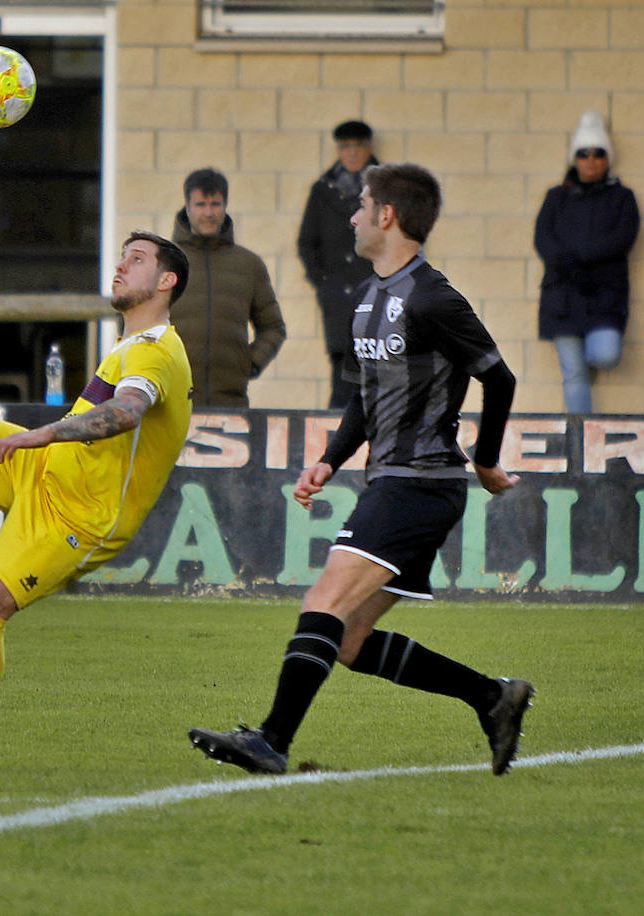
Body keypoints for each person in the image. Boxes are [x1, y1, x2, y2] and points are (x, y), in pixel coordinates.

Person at [188, 163, 533, 778]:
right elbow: (362, 400)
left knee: (323, 600)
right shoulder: (368, 297)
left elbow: (497, 376)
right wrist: (328, 460)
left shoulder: (433, 296)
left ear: (387, 216)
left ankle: (271, 740)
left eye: (362, 205)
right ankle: (492, 697)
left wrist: (484, 461)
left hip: (421, 483)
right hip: (393, 482)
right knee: (346, 641)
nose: (351, 216)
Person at [0, 231, 194, 771]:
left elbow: (124, 414)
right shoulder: (129, 344)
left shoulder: (156, 353)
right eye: (122, 256)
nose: (121, 266)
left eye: (137, 260)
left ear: (166, 282)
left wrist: (41, 433)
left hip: (79, 517)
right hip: (47, 475)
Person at [534, 111, 640, 414]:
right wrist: (574, 260)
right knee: (574, 375)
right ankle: (580, 439)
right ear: (574, 159)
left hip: (605, 296)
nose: (591, 160)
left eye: (598, 154)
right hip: (562, 298)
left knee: (605, 355)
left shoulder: (622, 197)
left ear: (607, 159)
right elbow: (543, 239)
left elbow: (622, 238)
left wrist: (578, 256)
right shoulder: (556, 198)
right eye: (583, 154)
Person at [170, 167, 285, 408]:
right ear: (188, 208)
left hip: (231, 404)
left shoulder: (249, 264)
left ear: (225, 205)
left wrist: (249, 363)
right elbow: (136, 325)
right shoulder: (164, 261)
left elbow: (273, 327)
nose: (209, 212)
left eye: (216, 204)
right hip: (171, 402)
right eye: (201, 204)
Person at [298, 120, 379, 409]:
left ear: (369, 148)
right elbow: (307, 242)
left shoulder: (386, 189)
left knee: (378, 366)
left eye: (358, 146)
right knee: (342, 372)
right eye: (345, 147)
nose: (352, 153)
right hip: (337, 298)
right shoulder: (323, 190)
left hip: (376, 294)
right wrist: (324, 282)